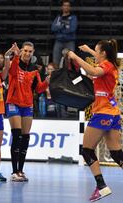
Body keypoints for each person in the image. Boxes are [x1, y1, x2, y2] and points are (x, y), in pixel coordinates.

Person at [67, 40, 123, 202]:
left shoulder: (105, 67)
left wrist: (75, 56)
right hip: (113, 114)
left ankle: (101, 186)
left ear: (103, 53)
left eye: (97, 52)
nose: (95, 55)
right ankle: (101, 187)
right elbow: (99, 62)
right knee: (116, 153)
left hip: (103, 114)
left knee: (87, 150)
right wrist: (90, 50)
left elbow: (93, 69)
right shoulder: (111, 64)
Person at [5, 42, 50, 182]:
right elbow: (10, 69)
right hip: (13, 103)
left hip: (27, 105)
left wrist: (48, 80)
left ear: (33, 52)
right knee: (17, 134)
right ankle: (13, 171)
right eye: (25, 50)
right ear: (22, 51)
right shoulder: (15, 64)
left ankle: (20, 170)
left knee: (25, 137)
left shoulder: (35, 70)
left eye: (30, 51)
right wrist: (15, 54)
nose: (27, 53)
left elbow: (39, 89)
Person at [51, 0, 77, 67]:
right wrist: (63, 26)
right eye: (65, 5)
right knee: (55, 61)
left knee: (71, 61)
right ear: (62, 7)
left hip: (69, 42)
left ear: (70, 7)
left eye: (68, 6)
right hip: (58, 41)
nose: (66, 7)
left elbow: (72, 29)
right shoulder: (58, 17)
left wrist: (59, 29)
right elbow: (53, 28)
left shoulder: (73, 17)